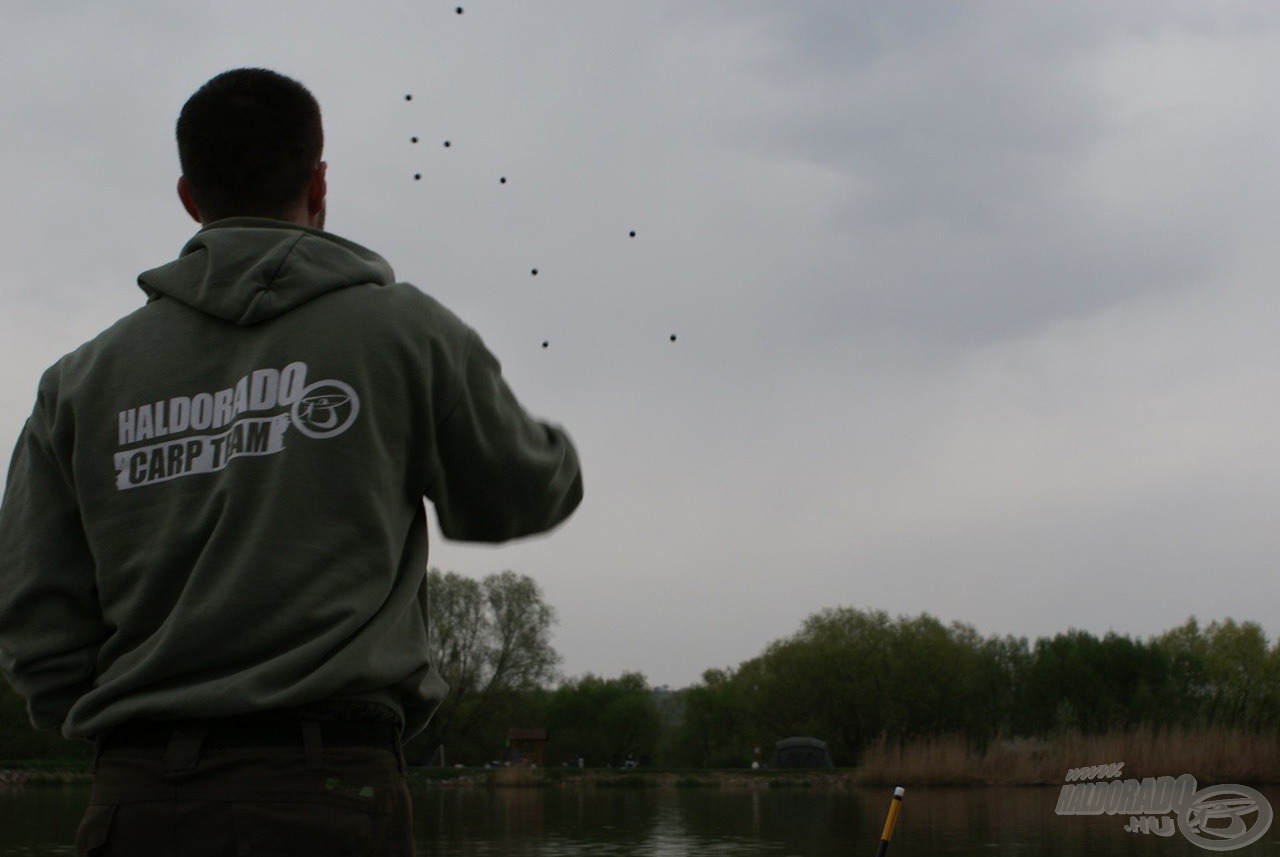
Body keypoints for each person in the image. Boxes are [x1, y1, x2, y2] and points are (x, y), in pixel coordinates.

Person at [0, 68, 583, 856]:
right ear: (318, 182)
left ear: (188, 196)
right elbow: (519, 494)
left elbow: (34, 622)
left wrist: (132, 727)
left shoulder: (76, 382)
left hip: (132, 803)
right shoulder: (406, 333)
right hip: (329, 795)